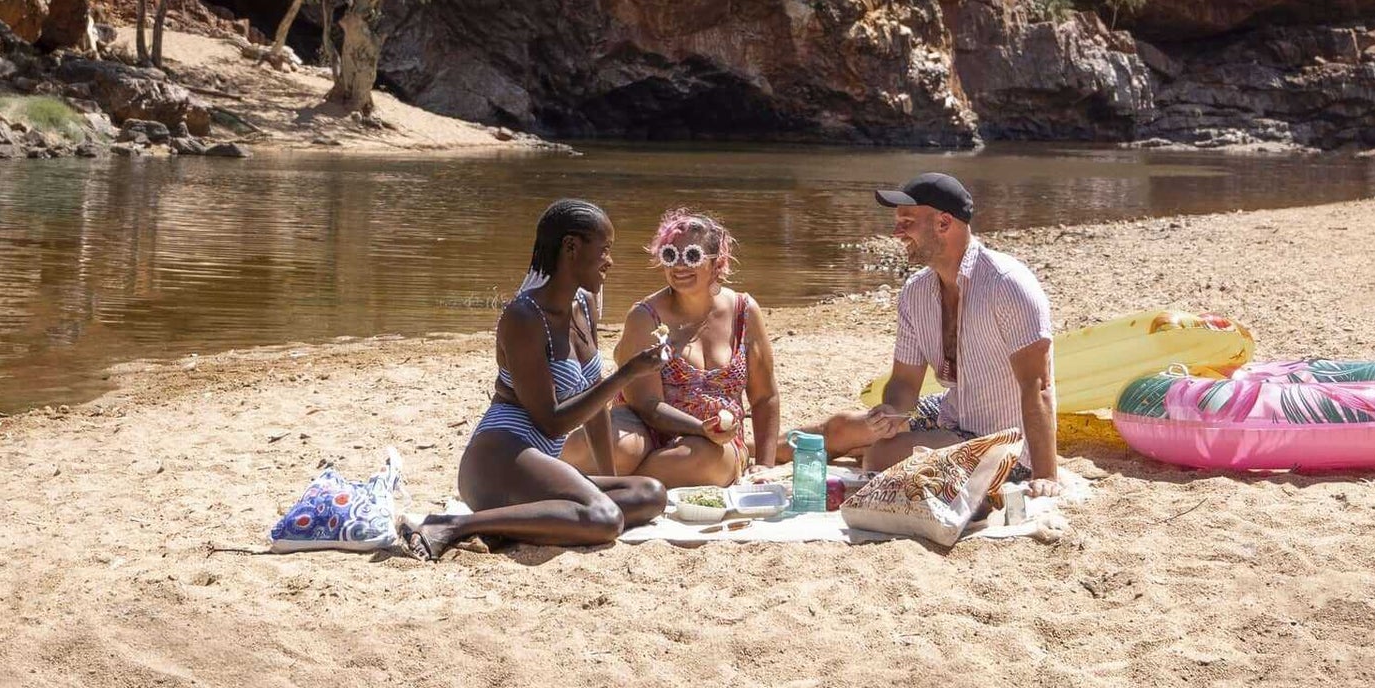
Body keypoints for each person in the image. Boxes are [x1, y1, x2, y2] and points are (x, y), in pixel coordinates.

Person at [416, 199, 672, 557]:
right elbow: (551, 423)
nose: (609, 261)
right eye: (604, 250)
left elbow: (595, 397)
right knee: (604, 518)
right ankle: (454, 525)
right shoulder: (523, 318)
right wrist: (628, 373)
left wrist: (610, 477)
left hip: (540, 463)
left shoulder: (584, 304)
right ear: (571, 247)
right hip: (500, 462)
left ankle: (511, 525)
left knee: (649, 494)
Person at [820, 170, 1059, 491]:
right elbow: (905, 382)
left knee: (880, 455)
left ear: (944, 223)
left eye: (907, 222)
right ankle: (752, 451)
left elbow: (1037, 386)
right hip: (954, 410)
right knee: (844, 429)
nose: (896, 232)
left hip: (1004, 441)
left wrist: (1045, 477)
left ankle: (887, 447)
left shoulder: (1007, 284)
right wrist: (891, 416)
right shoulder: (916, 292)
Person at [614, 206, 779, 493]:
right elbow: (646, 405)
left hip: (717, 445)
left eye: (691, 255)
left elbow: (765, 396)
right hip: (648, 432)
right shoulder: (644, 317)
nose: (679, 266)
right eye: (669, 255)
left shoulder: (744, 312)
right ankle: (623, 482)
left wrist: (764, 465)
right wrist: (699, 427)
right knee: (618, 446)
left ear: (718, 263)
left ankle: (610, 485)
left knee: (705, 457)